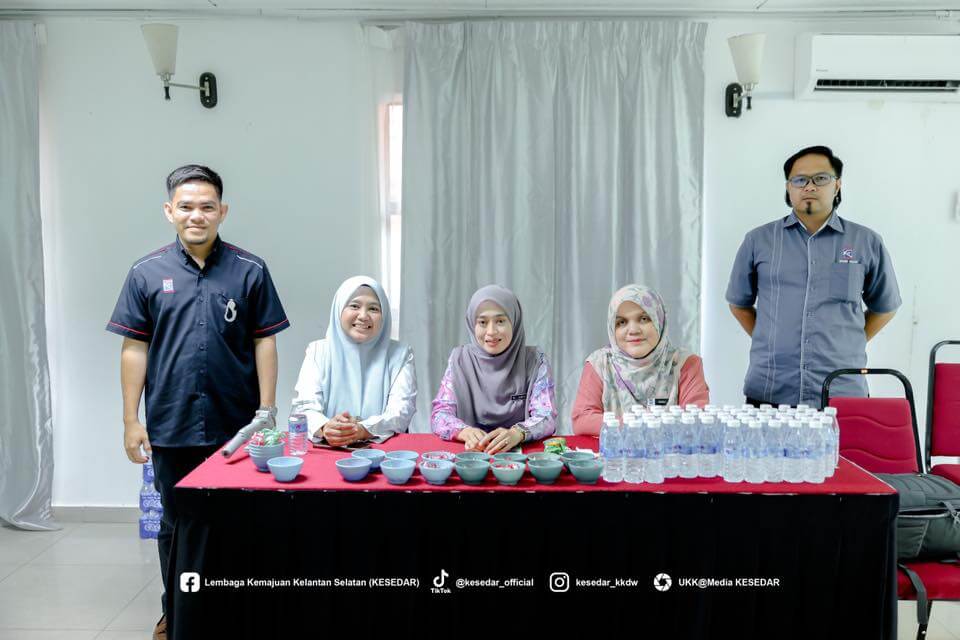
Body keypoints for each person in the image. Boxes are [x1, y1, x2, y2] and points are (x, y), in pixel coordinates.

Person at [106, 165, 289, 640]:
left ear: (222, 211)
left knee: (237, 521)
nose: (196, 215)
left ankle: (232, 609)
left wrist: (267, 412)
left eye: (207, 206)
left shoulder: (250, 270)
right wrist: (130, 420)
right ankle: (176, 609)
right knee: (175, 524)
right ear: (169, 211)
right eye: (186, 206)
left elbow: (264, 341)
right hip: (171, 423)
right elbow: (134, 348)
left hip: (237, 426)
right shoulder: (145, 273)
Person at [726, 145, 901, 407]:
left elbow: (885, 307)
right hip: (772, 389)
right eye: (799, 180)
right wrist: (771, 339)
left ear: (837, 185)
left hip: (841, 389)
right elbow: (739, 304)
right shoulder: (758, 241)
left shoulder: (866, 242)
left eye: (820, 178)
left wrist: (849, 343)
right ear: (789, 187)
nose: (809, 187)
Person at [431, 284, 557, 454]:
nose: (491, 331)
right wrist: (464, 431)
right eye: (483, 322)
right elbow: (440, 414)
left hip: (518, 456)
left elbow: (547, 416)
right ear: (472, 324)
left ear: (514, 322)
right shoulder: (459, 359)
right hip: (472, 455)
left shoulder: (535, 360)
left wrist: (518, 433)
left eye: (500, 321)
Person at [292, 276, 416, 445]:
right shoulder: (317, 351)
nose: (363, 316)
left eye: (373, 309)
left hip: (383, 451)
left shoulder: (400, 354)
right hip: (328, 448)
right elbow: (304, 406)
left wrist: (363, 429)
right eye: (354, 306)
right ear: (339, 309)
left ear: (384, 315)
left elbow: (401, 410)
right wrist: (325, 427)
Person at [572, 284, 709, 434]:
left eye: (643, 319)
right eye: (621, 322)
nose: (633, 330)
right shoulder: (600, 363)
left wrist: (622, 425)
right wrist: (631, 424)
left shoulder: (685, 363)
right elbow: (581, 420)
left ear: (659, 321)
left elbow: (697, 420)